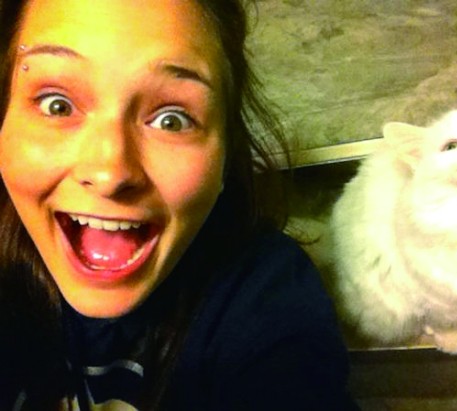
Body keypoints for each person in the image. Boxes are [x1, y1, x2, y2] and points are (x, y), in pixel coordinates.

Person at [0, 0, 359, 409]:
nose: (109, 173)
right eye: (57, 105)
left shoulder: (266, 298)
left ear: (226, 156)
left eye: (172, 120)